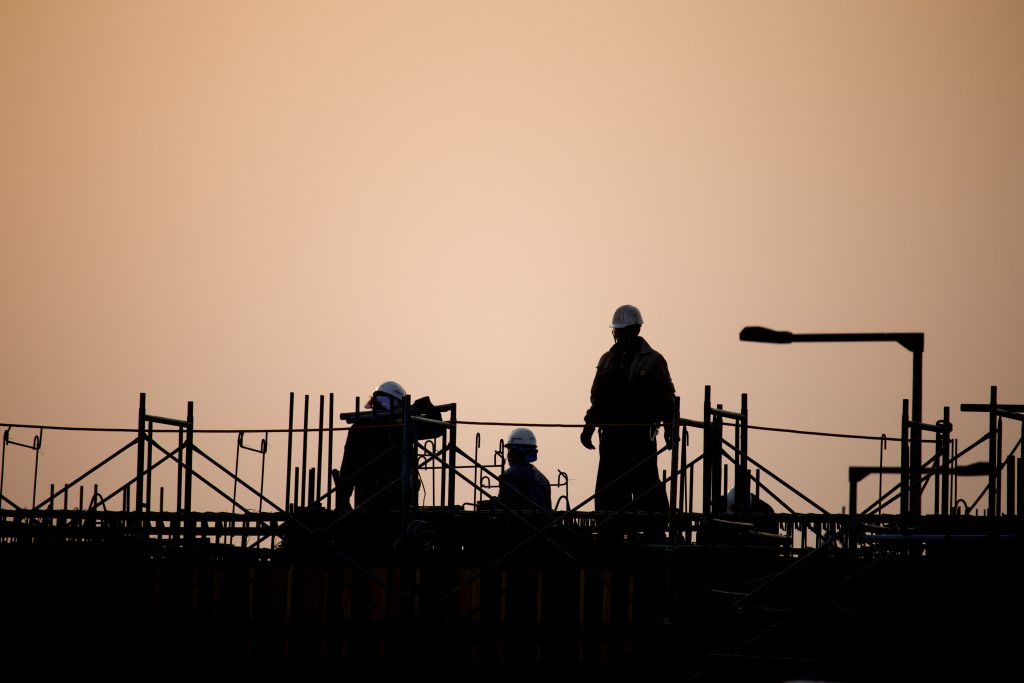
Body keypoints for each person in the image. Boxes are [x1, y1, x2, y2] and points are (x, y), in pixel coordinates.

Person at [580, 304, 676, 512]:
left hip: (640, 438)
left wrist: (670, 429)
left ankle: (654, 533)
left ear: (634, 330)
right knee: (609, 492)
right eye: (617, 330)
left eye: (621, 330)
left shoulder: (652, 360)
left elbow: (667, 399)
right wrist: (589, 428)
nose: (617, 334)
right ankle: (611, 534)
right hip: (611, 439)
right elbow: (598, 400)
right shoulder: (607, 360)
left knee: (646, 487)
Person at [331, 380, 437, 513]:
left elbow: (348, 467)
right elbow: (436, 429)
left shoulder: (359, 426)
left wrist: (343, 501)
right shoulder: (400, 427)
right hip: (397, 501)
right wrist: (428, 407)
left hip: (367, 500)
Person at [497, 427, 552, 511]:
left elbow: (504, 507)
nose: (508, 457)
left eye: (510, 452)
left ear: (514, 453)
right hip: (541, 523)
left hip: (516, 523)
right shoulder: (543, 479)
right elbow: (548, 509)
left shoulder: (508, 476)